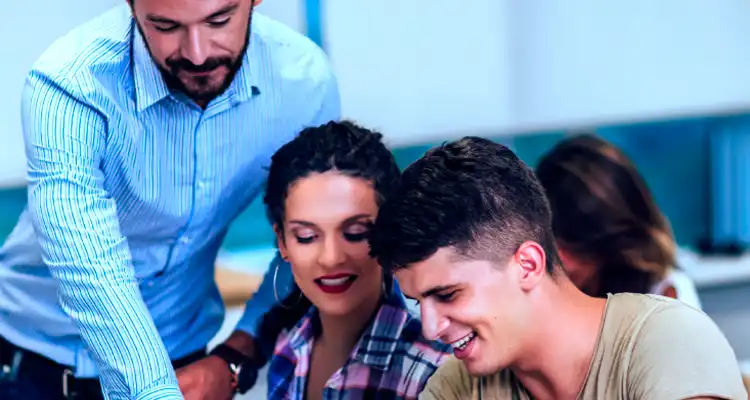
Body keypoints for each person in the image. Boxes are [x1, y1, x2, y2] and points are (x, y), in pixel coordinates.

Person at [0, 0, 339, 398]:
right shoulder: (69, 84)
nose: (197, 53)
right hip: (26, 366)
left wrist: (240, 351)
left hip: (187, 360)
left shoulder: (303, 81)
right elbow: (90, 268)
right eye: (165, 26)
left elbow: (314, 243)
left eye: (219, 20)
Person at [369, 137, 748, 400]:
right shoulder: (455, 387)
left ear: (528, 264)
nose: (432, 328)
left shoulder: (664, 341)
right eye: (419, 302)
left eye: (448, 294)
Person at [250, 121, 451, 399]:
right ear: (283, 242)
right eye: (307, 236)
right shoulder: (288, 348)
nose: (331, 258)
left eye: (356, 233)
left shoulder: (434, 369)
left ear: (389, 231)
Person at [535, 134, 701, 308]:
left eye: (573, 245)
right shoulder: (541, 287)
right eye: (550, 239)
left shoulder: (666, 298)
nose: (560, 260)